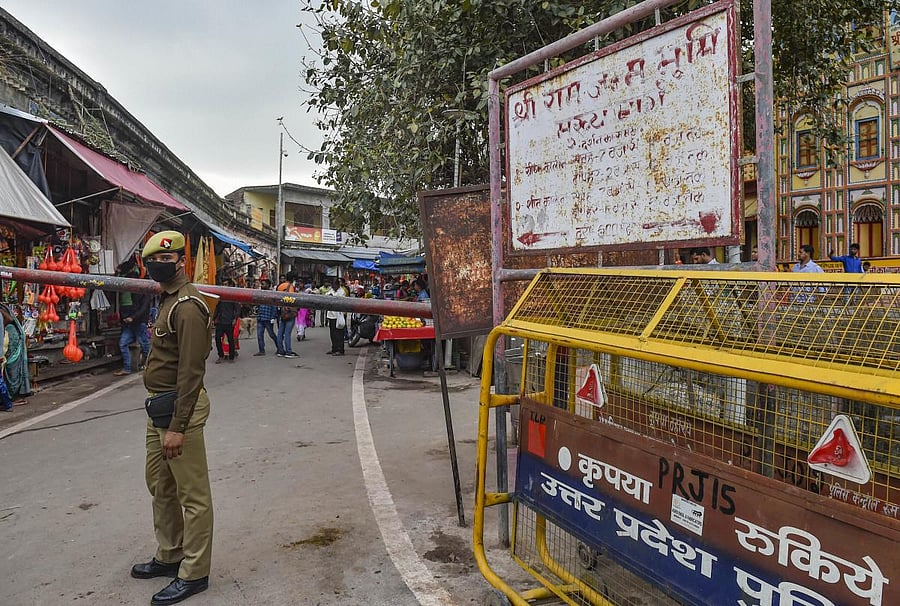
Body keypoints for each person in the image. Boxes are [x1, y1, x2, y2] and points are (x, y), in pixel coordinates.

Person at [131, 230, 213, 606]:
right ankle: (170, 553)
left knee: (192, 495)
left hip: (180, 410)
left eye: (165, 260)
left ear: (181, 261)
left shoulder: (187, 306)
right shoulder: (166, 301)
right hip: (159, 407)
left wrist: (177, 427)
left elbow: (191, 372)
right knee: (159, 485)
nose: (157, 266)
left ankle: (194, 573)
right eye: (152, 261)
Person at [115, 263, 151, 376]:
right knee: (123, 343)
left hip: (139, 322)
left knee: (145, 345)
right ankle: (127, 368)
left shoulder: (143, 291)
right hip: (128, 323)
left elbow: (144, 308)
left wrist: (133, 317)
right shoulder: (126, 293)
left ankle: (149, 366)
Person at [0, 304, 30, 410]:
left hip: (10, 353)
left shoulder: (10, 328)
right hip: (6, 353)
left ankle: (10, 400)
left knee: (9, 377)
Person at [212, 279, 239, 364]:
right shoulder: (220, 296)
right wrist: (213, 318)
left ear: (229, 285)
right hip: (220, 321)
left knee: (230, 340)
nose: (224, 285)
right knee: (217, 338)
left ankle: (231, 357)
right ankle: (221, 355)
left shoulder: (233, 296)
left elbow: (237, 309)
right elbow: (217, 308)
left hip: (229, 321)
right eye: (223, 284)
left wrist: (235, 318)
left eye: (226, 284)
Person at [254, 279, 280, 356]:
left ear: (268, 285)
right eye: (261, 284)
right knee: (259, 335)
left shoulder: (272, 294)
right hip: (260, 317)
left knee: (271, 334)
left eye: (263, 284)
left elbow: (274, 306)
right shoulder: (259, 294)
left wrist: (273, 317)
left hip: (268, 318)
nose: (262, 285)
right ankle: (261, 350)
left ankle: (279, 348)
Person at [275, 273, 298, 358]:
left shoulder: (280, 286)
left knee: (280, 332)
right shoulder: (290, 286)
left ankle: (280, 351)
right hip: (289, 312)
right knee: (287, 333)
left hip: (281, 311)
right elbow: (291, 299)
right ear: (293, 279)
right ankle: (288, 351)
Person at [325, 278, 346, 356]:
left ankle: (340, 349)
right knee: (332, 333)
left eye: (334, 285)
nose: (333, 287)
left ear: (338, 285)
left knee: (339, 333)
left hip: (338, 316)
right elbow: (326, 295)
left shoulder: (342, 292)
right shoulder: (331, 290)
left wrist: (332, 296)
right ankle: (334, 348)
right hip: (331, 315)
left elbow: (339, 301)